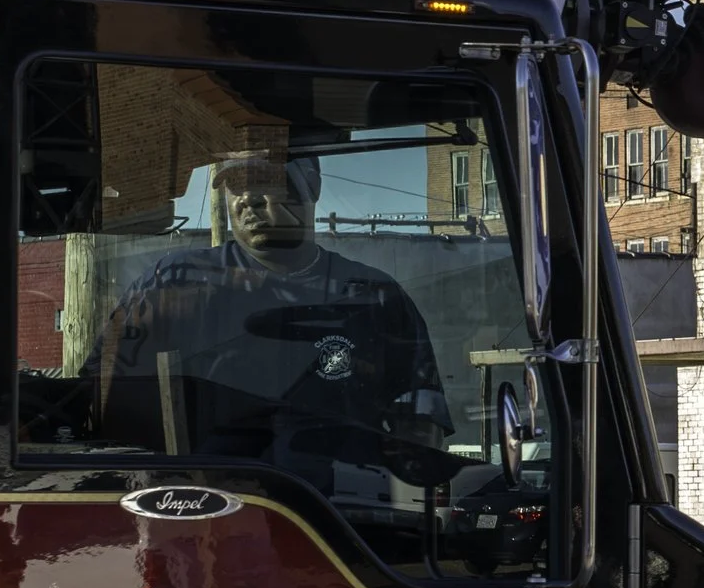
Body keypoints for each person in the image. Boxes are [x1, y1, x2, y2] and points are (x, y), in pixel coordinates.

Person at [95, 138, 453, 498]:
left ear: (309, 187)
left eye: (265, 183)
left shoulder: (373, 297)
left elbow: (421, 428)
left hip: (340, 523)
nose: (247, 198)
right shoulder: (175, 285)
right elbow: (100, 403)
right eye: (236, 186)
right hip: (203, 516)